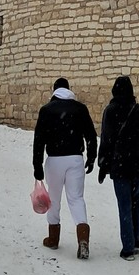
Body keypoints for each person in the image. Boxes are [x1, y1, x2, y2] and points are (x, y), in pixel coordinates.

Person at [97, 75, 139, 259]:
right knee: (135, 201)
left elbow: (106, 140)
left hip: (120, 165)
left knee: (124, 205)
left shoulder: (110, 111)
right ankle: (136, 241)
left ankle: (128, 248)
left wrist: (103, 165)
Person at [32, 77, 98, 259]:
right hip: (75, 159)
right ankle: (83, 239)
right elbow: (91, 135)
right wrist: (91, 157)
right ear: (69, 90)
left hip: (54, 160)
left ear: (54, 91)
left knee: (53, 198)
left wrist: (37, 166)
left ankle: (53, 238)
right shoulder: (80, 109)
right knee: (76, 198)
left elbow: (39, 140)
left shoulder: (46, 110)